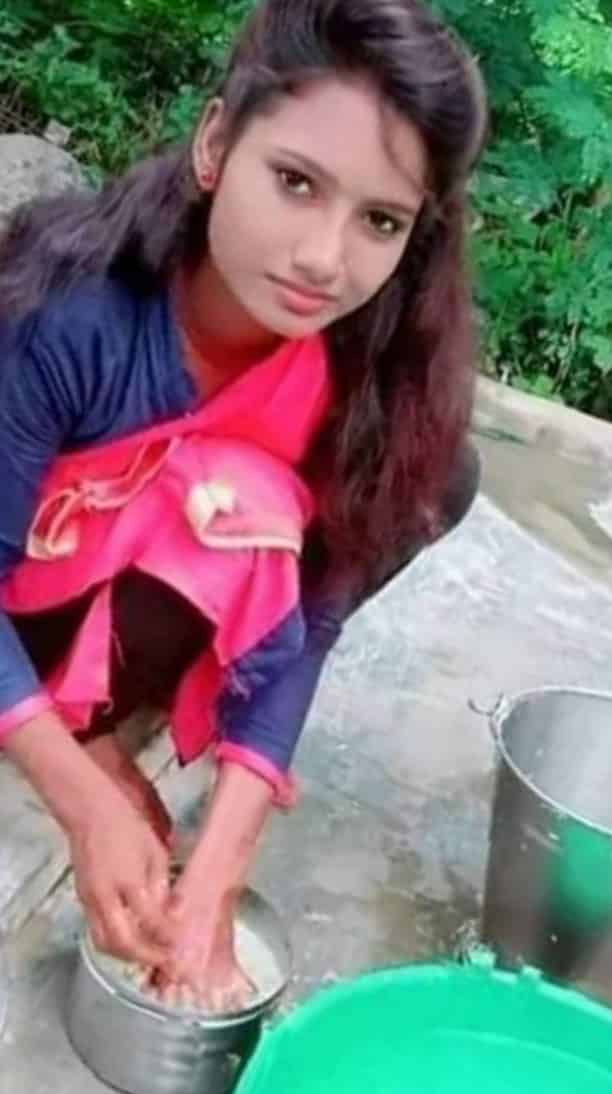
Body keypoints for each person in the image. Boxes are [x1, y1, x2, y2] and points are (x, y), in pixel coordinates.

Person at [0, 0, 487, 1011]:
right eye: (296, 182)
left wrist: (220, 864)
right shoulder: (74, 318)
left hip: (133, 614)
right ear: (217, 144)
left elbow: (309, 617)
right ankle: (78, 730)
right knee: (208, 487)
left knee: (430, 478)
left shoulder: (367, 377)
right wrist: (79, 799)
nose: (323, 258)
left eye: (380, 220)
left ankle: (104, 720)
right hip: (29, 593)